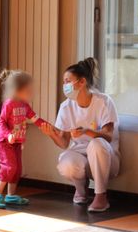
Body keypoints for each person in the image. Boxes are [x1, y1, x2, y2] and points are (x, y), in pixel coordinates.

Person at [40, 57, 120, 212]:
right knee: (65, 162)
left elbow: (108, 136)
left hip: (107, 159)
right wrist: (52, 134)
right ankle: (81, 190)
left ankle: (101, 196)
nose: (65, 86)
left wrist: (86, 131)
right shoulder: (66, 106)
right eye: (64, 82)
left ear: (82, 82)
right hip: (82, 156)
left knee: (96, 143)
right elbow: (64, 143)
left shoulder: (103, 101)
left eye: (68, 81)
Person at [0, 70, 46, 208]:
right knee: (9, 167)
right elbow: (1, 122)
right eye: (27, 90)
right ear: (17, 90)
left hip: (17, 141)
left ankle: (11, 195)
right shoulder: (8, 104)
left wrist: (46, 126)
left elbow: (35, 118)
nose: (30, 93)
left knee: (17, 169)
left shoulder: (24, 105)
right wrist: (8, 135)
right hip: (4, 141)